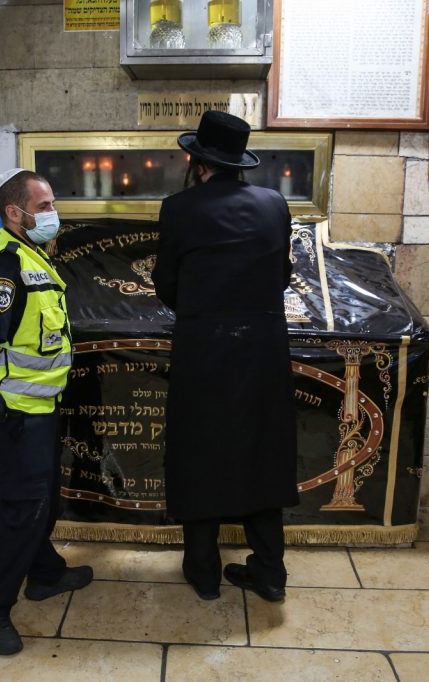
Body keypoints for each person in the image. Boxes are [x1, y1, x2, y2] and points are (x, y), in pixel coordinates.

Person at [152, 111, 298, 603]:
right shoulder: (275, 205)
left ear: (196, 161)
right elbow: (281, 275)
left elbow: (165, 284)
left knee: (200, 450)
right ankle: (270, 572)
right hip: (263, 347)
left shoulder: (178, 208)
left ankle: (204, 571)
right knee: (263, 450)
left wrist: (204, 310)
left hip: (203, 349)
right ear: (240, 163)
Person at [0, 168, 93, 655]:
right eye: (45, 205)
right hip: (12, 413)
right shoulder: (4, 266)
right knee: (23, 510)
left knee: (44, 500)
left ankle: (45, 573)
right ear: (15, 213)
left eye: (52, 204)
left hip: (39, 407)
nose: (54, 214)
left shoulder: (33, 256)